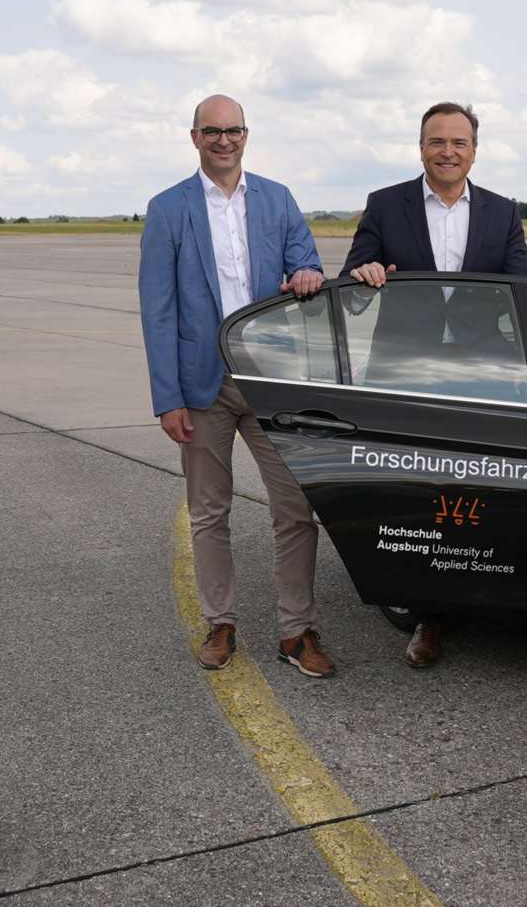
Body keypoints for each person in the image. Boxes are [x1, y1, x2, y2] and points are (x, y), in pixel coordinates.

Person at [139, 95, 335, 677]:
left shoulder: (277, 198)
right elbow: (158, 310)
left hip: (271, 380)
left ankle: (297, 631)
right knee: (209, 512)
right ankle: (220, 622)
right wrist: (167, 398)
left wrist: (308, 272)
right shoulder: (169, 208)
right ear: (194, 137)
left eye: (233, 130)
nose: (223, 140)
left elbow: (306, 260)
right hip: (202, 385)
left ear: (246, 135)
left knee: (295, 508)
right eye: (212, 131)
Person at [342, 102, 527, 668]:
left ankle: (486, 590)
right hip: (407, 374)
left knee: (477, 493)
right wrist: (363, 277)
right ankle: (429, 615)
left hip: (480, 378)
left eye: (458, 142)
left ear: (475, 150)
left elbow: (523, 291)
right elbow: (350, 290)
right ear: (420, 147)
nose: (447, 151)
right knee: (420, 496)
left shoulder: (502, 211)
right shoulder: (385, 205)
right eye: (437, 141)